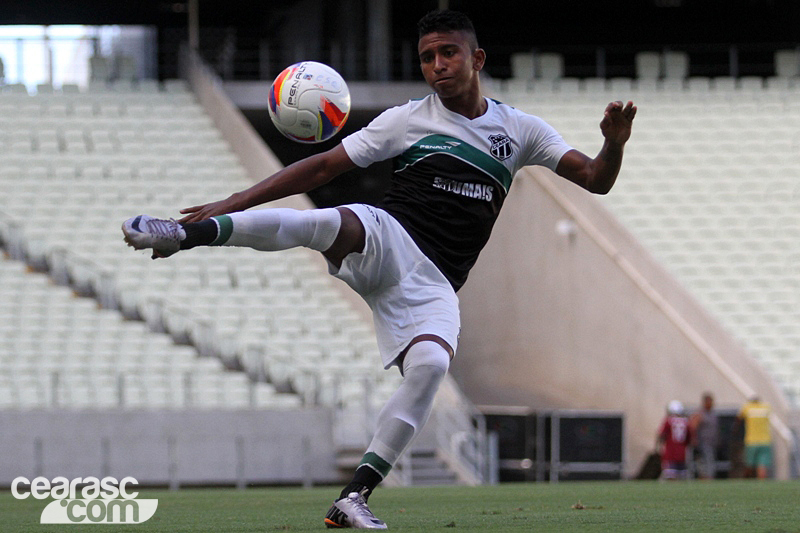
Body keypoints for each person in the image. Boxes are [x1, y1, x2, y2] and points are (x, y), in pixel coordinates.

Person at [122, 9, 636, 529]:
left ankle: (354, 497)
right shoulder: (407, 119)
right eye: (427, 57)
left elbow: (595, 179)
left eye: (448, 53)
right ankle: (183, 234)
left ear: (477, 58)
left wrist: (613, 143)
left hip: (435, 285)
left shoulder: (520, 130)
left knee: (432, 367)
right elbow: (323, 166)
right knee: (323, 224)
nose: (437, 65)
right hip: (389, 236)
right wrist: (233, 201)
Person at [737, 396, 773, 479]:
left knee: (749, 464)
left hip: (751, 441)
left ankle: (747, 481)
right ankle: (762, 483)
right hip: (765, 441)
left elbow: (738, 419)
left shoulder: (747, 408)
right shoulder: (766, 408)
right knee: (762, 465)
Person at [657, 400, 692, 480]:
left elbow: (661, 435)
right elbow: (690, 439)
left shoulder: (668, 421)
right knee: (681, 479)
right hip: (682, 453)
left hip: (670, 453)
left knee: (670, 478)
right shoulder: (686, 422)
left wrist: (658, 447)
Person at [689, 392, 719, 480]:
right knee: (707, 461)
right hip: (704, 442)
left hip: (712, 442)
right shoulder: (700, 413)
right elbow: (693, 427)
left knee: (709, 460)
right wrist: (694, 439)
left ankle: (708, 477)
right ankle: (708, 478)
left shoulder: (712, 413)